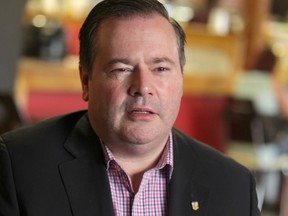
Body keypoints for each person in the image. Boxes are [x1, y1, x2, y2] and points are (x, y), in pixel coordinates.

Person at [0, 0, 260, 215]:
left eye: (160, 68)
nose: (143, 86)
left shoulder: (233, 186)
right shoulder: (18, 167)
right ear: (86, 81)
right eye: (121, 69)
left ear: (180, 78)